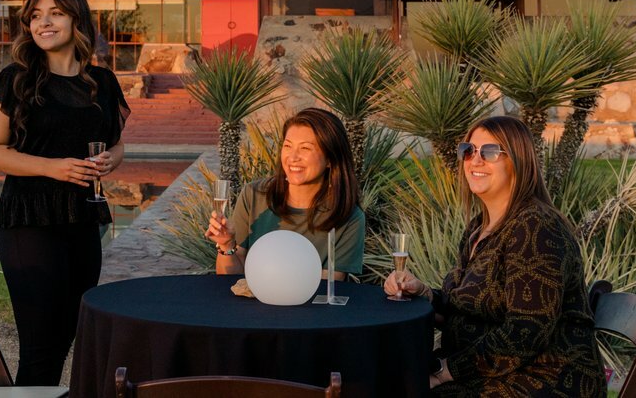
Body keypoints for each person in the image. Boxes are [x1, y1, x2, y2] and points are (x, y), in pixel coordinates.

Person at [384, 115, 606, 395]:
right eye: (468, 150)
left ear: (518, 161)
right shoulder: (480, 227)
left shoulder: (536, 227)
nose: (475, 161)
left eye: (489, 152)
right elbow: (470, 308)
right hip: (493, 373)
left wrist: (445, 373)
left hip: (543, 380)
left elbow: (527, 331)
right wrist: (425, 294)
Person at [0, 0, 129, 386]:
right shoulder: (16, 80)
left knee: (67, 337)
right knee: (41, 347)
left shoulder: (103, 82)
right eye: (36, 15)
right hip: (28, 222)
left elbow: (117, 145)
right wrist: (53, 167)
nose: (43, 23)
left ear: (77, 19)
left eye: (55, 13)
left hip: (83, 219)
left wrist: (109, 161)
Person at [206, 107, 365, 279]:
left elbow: (329, 286)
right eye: (288, 146)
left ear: (330, 159)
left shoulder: (347, 216)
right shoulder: (254, 195)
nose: (293, 157)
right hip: (254, 304)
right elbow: (231, 280)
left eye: (305, 148)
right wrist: (226, 244)